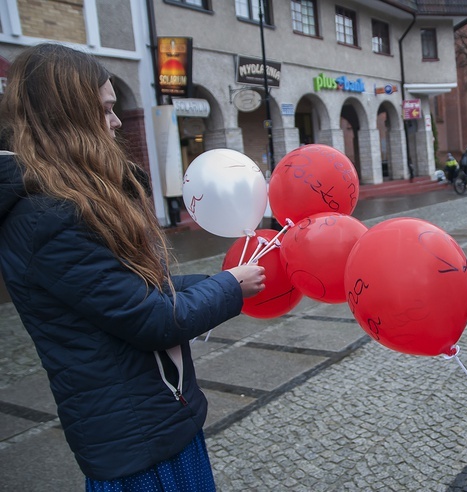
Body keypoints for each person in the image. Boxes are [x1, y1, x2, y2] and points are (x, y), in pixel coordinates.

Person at [0, 43, 267, 489]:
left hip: (154, 419)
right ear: (69, 116)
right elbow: (152, 318)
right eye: (105, 110)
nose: (117, 121)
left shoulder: (65, 203)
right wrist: (229, 288)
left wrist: (216, 280)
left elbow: (132, 289)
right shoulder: (48, 217)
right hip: (134, 441)